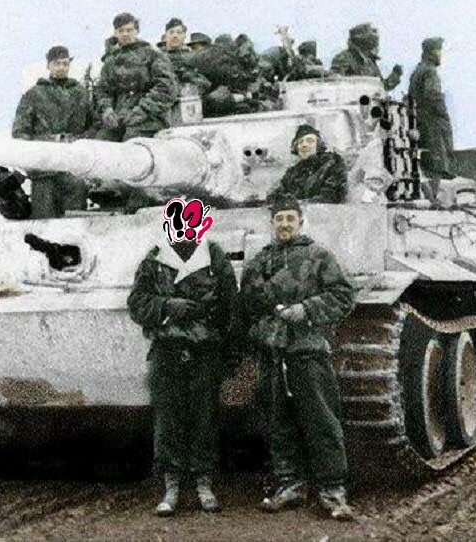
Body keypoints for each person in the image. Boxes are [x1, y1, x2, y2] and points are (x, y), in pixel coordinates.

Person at [238, 194, 356, 521]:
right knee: (278, 420)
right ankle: (290, 483)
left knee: (321, 418)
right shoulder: (259, 262)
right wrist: (266, 323)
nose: (285, 224)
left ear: (300, 221)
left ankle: (332, 489)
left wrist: (306, 309)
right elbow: (247, 304)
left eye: (290, 218)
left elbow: (343, 295)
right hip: (272, 351)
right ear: (272, 224)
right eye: (279, 219)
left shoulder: (318, 256)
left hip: (307, 348)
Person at [127, 232, 238, 516]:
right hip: (167, 348)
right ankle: (171, 485)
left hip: (205, 348)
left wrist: (227, 348)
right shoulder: (156, 256)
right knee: (168, 417)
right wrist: (165, 305)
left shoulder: (213, 254)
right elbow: (136, 302)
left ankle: (204, 482)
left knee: (205, 415)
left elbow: (231, 304)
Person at [4, 45, 93, 218]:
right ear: (48, 65)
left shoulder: (81, 94)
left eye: (65, 64)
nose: (61, 68)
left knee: (75, 220)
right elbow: (20, 132)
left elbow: (93, 126)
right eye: (57, 64)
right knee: (44, 222)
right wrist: (40, 150)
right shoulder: (34, 95)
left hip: (73, 167)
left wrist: (78, 142)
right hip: (44, 170)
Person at [94, 12, 178, 141]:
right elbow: (102, 89)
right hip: (120, 118)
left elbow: (166, 87)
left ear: (137, 31)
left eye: (129, 30)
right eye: (121, 31)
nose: (125, 34)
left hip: (150, 118)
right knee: (101, 143)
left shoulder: (153, 54)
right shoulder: (111, 60)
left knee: (131, 142)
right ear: (115, 33)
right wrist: (107, 109)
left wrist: (142, 110)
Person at [407, 36, 455, 200]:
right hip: (432, 125)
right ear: (431, 52)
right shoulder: (430, 72)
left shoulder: (418, 71)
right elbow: (433, 96)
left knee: (425, 164)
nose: (440, 55)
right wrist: (443, 113)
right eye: (438, 50)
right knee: (437, 164)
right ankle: (431, 198)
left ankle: (427, 197)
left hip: (420, 123)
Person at [269, 124, 348, 204]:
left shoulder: (333, 164)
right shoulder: (292, 173)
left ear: (318, 145)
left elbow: (330, 199)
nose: (304, 145)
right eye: (300, 142)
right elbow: (275, 196)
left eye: (310, 141)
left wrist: (294, 204)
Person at [330, 23, 402, 91]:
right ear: (362, 40)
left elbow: (381, 87)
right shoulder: (344, 58)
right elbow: (336, 83)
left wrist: (395, 76)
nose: (373, 42)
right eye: (371, 39)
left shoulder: (370, 61)